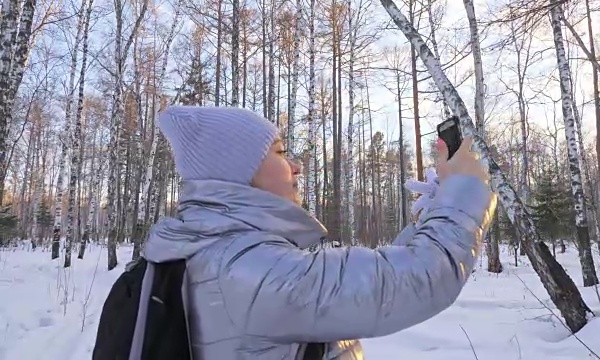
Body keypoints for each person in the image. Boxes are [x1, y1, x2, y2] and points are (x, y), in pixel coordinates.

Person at [140, 106, 496, 359]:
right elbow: (424, 276)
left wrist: (433, 217)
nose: (296, 166)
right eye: (280, 153)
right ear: (238, 173)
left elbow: (363, 280)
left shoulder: (220, 253)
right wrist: (467, 187)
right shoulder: (245, 270)